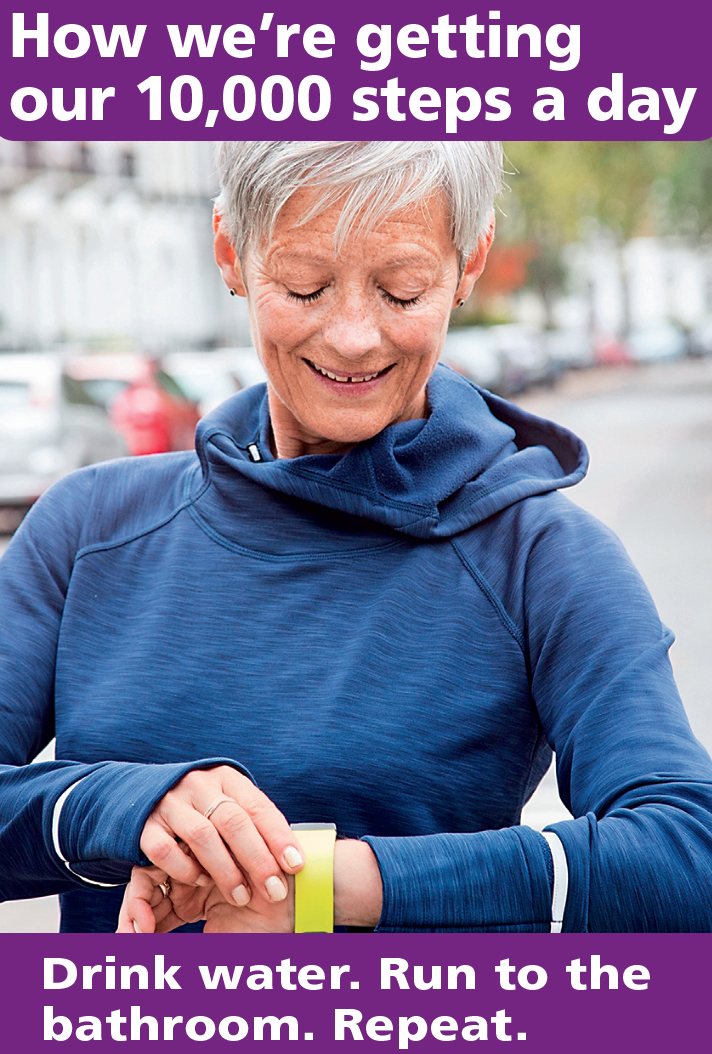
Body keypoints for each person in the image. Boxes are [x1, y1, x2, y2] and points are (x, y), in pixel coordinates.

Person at [1, 141, 711, 936]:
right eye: (305, 285)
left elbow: (684, 859)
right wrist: (116, 807)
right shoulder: (87, 530)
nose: (352, 337)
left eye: (401, 292)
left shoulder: (541, 558)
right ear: (232, 252)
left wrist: (328, 885)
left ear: (469, 261)